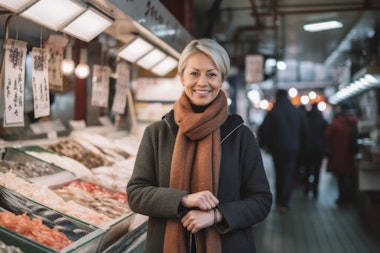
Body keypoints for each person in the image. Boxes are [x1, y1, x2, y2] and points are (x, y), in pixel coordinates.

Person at [127, 38, 272, 253]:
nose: (202, 82)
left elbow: (261, 200)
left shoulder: (240, 135)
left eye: (211, 74)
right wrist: (183, 199)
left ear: (222, 79)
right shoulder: (158, 133)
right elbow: (136, 194)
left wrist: (216, 215)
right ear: (181, 77)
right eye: (194, 73)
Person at [258, 89, 308, 213]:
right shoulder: (297, 112)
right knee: (288, 174)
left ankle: (280, 200)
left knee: (279, 173)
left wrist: (263, 145)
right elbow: (305, 132)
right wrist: (302, 148)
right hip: (293, 149)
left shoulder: (273, 112)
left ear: (277, 97)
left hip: (277, 149)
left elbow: (264, 130)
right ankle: (284, 201)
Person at [324, 100, 358, 205]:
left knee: (341, 178)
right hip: (352, 155)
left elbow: (327, 135)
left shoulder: (336, 122)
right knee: (352, 177)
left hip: (338, 155)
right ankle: (352, 198)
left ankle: (343, 198)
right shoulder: (356, 121)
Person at [303, 103, 329, 199]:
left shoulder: (306, 119)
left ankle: (306, 189)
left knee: (307, 169)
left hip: (307, 149)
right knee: (317, 170)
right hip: (319, 150)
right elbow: (326, 135)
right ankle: (315, 191)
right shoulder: (322, 120)